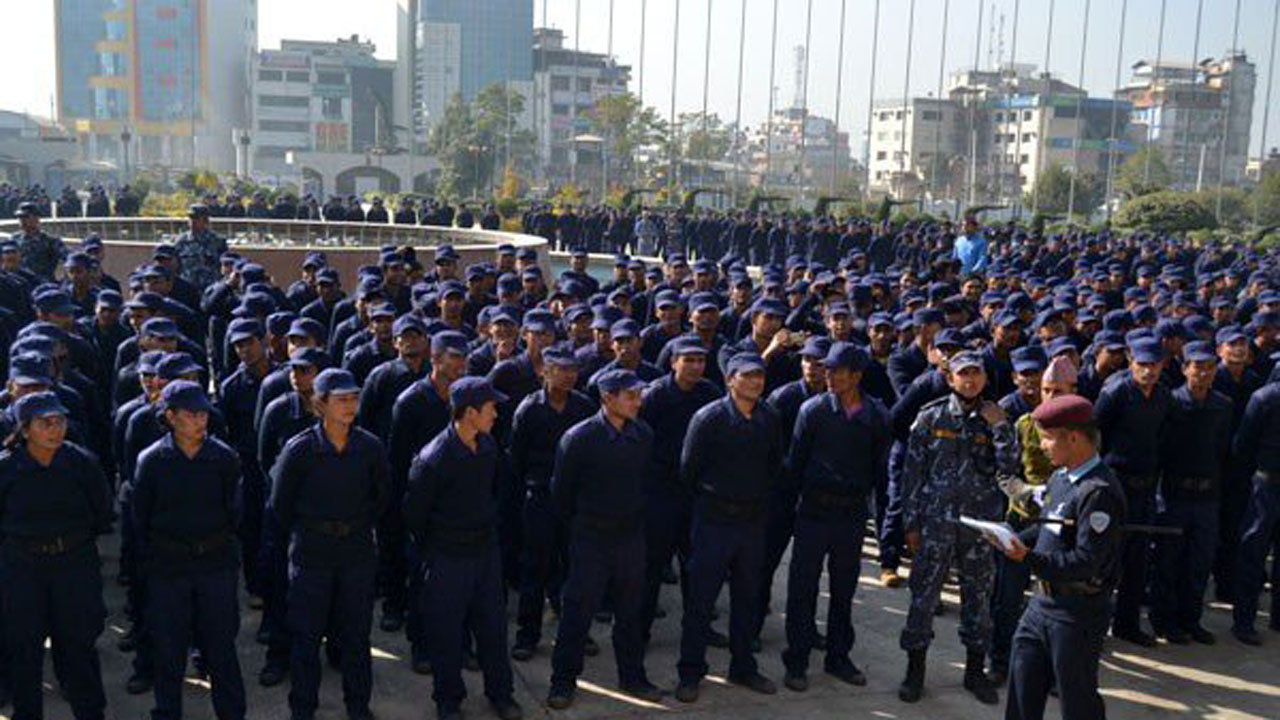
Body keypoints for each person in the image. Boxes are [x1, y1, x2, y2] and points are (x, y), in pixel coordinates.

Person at [269, 368, 390, 720]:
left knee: (355, 635)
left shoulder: (369, 447)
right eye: (341, 400)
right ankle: (303, 708)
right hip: (312, 553)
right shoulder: (300, 450)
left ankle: (358, 706)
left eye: (354, 398)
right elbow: (280, 504)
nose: (350, 406)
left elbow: (382, 497)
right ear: (319, 405)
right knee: (306, 637)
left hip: (355, 552)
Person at [898, 351, 1017, 706]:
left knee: (977, 601)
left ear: (984, 378)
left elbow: (1009, 471)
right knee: (923, 599)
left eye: (975, 374)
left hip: (978, 527)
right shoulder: (931, 416)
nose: (970, 380)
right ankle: (914, 671)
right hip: (936, 524)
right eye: (962, 374)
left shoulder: (996, 418)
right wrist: (911, 523)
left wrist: (1001, 429)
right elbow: (912, 474)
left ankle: (974, 671)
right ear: (950, 379)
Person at [999, 394, 1127, 720]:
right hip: (1040, 606)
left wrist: (1027, 557)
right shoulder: (1060, 478)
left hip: (1077, 614)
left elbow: (1087, 561)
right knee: (1022, 688)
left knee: (1077, 700)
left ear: (1073, 437)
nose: (1042, 446)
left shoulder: (1098, 492)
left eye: (1047, 438)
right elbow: (1049, 532)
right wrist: (1009, 537)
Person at [404, 377, 523, 720]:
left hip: (484, 552)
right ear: (469, 413)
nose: (496, 415)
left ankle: (501, 694)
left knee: (492, 627)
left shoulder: (486, 447)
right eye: (490, 408)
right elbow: (415, 515)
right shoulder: (434, 458)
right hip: (447, 556)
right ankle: (448, 699)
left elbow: (495, 491)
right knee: (446, 631)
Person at [132, 380, 246, 720]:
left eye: (203, 414)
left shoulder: (223, 458)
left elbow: (235, 513)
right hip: (169, 567)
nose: (200, 420)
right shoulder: (152, 461)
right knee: (169, 651)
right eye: (191, 414)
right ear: (170, 417)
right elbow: (141, 517)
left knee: (221, 649)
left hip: (215, 564)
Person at [547, 369, 661, 709]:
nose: (637, 402)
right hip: (591, 538)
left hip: (629, 537)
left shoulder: (642, 435)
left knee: (630, 612)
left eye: (638, 394)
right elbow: (562, 495)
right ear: (607, 398)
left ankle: (632, 676)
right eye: (630, 396)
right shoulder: (579, 438)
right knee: (578, 612)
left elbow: (646, 482)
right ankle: (563, 681)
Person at [674, 351, 783, 703]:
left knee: (747, 597)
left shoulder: (769, 417)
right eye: (747, 375)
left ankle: (743, 666)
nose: (755, 381)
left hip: (751, 522)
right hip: (713, 522)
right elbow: (688, 470)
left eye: (759, 376)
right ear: (730, 379)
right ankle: (690, 671)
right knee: (701, 600)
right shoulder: (708, 419)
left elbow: (774, 466)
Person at [782, 342, 890, 691]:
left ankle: (838, 656)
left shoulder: (876, 416)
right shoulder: (811, 411)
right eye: (825, 369)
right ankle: (796, 659)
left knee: (844, 588)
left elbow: (881, 473)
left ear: (856, 376)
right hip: (814, 511)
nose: (827, 375)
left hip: (851, 515)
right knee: (802, 587)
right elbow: (794, 465)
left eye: (836, 370)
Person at [0, 391, 111, 720]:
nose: (55, 429)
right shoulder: (6, 470)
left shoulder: (81, 463)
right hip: (22, 568)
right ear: (24, 429)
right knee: (24, 651)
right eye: (45, 423)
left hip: (72, 565)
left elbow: (102, 512)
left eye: (59, 421)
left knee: (78, 648)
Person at [511, 345, 596, 660]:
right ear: (545, 372)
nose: (569, 376)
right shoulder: (529, 409)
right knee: (535, 569)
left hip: (575, 503)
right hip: (541, 499)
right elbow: (516, 459)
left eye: (573, 370)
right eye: (561, 369)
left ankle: (576, 632)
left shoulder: (584, 407)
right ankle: (527, 635)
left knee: (576, 571)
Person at [1092, 337, 1171, 647]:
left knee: (1138, 560)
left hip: (1146, 485)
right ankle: (1096, 625)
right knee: (1106, 558)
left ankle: (1127, 623)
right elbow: (1096, 436)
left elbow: (1163, 436)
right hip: (1116, 483)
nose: (1148, 371)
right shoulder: (1115, 393)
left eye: (1154, 365)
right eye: (1142, 365)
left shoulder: (1164, 396)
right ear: (1129, 361)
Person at [1151, 341, 1231, 644]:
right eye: (1197, 367)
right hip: (1174, 494)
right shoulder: (1171, 403)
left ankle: (1191, 620)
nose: (1203, 373)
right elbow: (1159, 448)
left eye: (1209, 368)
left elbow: (1223, 450)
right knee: (1169, 562)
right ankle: (1164, 621)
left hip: (1207, 497)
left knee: (1199, 564)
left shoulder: (1223, 405)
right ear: (1185, 369)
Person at [1229, 356, 1280, 645]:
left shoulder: (1263, 396)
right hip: (1265, 483)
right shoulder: (1264, 398)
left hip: (1266, 480)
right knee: (1253, 551)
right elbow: (1243, 445)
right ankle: (1244, 621)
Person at [172, 204, 227, 290]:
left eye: (197, 218)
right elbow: (176, 266)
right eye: (191, 218)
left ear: (205, 220)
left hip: (210, 289)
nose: (193, 221)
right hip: (187, 289)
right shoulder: (181, 241)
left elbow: (224, 267)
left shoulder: (218, 241)